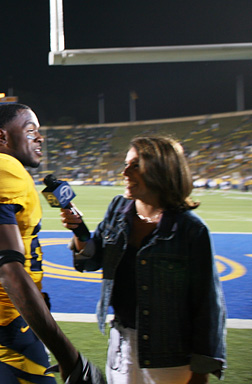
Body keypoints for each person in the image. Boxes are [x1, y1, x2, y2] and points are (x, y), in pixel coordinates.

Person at [59, 135, 226, 383]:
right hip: (121, 345)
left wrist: (201, 370)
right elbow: (93, 262)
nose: (125, 171)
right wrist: (79, 231)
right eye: (127, 164)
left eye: (135, 165)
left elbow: (207, 306)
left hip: (170, 354)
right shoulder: (118, 209)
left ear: (162, 169)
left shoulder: (191, 229)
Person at [0, 103, 103, 384]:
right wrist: (70, 357)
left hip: (11, 318)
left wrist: (78, 232)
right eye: (30, 130)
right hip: (1, 321)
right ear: (2, 137)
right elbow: (9, 269)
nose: (40, 138)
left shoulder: (5, 171)